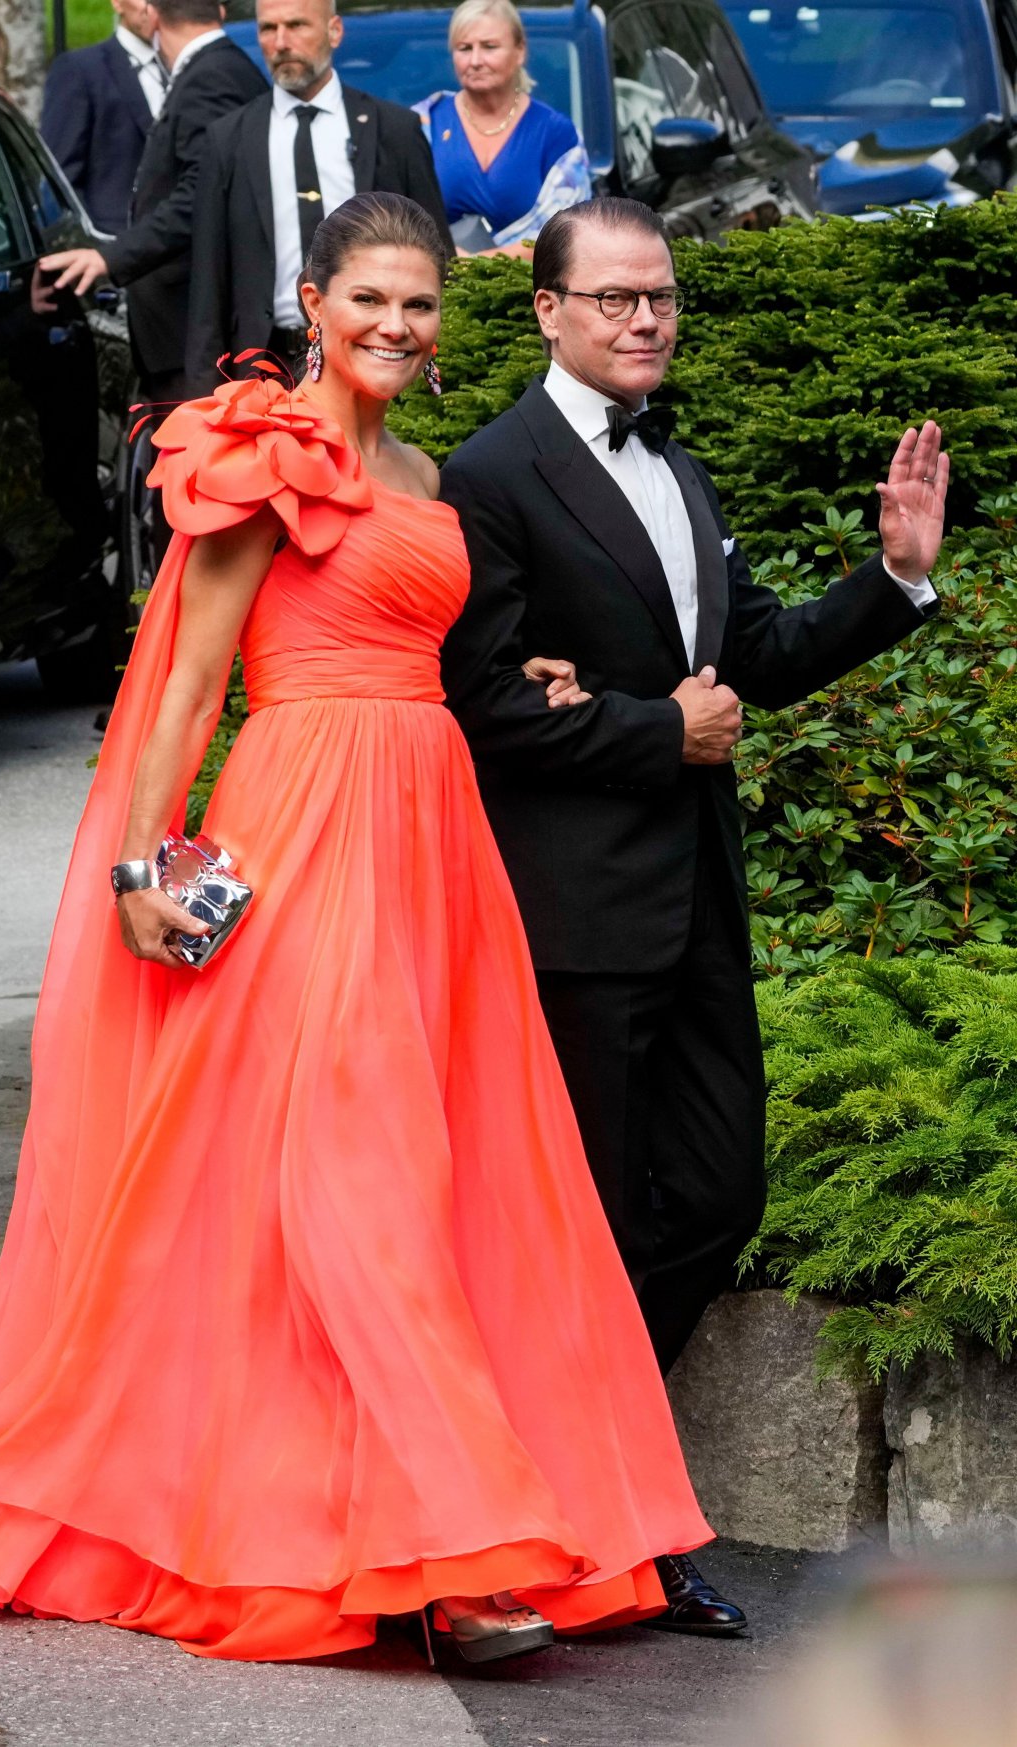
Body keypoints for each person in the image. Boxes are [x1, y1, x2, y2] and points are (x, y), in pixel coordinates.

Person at [0, 192, 711, 1666]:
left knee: (436, 1186)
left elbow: (446, 654)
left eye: (420, 304)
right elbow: (188, 683)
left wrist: (536, 677)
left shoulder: (427, 473)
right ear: (315, 301)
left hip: (435, 839)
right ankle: (461, 1557)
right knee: (361, 1182)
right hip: (306, 827)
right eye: (370, 298)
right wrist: (137, 867)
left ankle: (389, 1524)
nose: (396, 325)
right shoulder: (262, 453)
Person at [439, 195, 946, 1631]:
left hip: (700, 910)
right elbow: (479, 706)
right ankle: (602, 1528)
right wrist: (659, 730)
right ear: (547, 310)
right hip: (576, 918)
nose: (646, 318)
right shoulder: (492, 475)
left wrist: (897, 577)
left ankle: (588, 1483)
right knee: (588, 1230)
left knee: (719, 1197)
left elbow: (755, 657)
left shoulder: (681, 466)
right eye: (615, 297)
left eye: (661, 295)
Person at [182, 0, 452, 390]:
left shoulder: (394, 130)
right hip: (263, 365)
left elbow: (437, 256)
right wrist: (202, 393)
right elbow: (208, 279)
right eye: (268, 29)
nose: (281, 42)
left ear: (334, 31)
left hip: (378, 354)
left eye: (296, 25)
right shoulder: (228, 139)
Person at [43, 0, 266, 405]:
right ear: (219, 11)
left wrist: (110, 257)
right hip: (179, 327)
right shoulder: (222, 68)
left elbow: (202, 194)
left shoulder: (210, 77)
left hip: (188, 326)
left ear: (154, 16)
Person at [414, 0, 590, 259]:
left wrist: (475, 264)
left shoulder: (557, 135)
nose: (475, 61)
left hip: (531, 281)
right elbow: (396, 220)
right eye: (464, 48)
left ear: (520, 51)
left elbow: (571, 236)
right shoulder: (423, 124)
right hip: (436, 279)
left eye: (489, 47)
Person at [40, 0, 169, 238]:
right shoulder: (80, 69)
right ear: (117, 3)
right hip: (110, 240)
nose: (151, 7)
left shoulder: (189, 68)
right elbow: (59, 175)